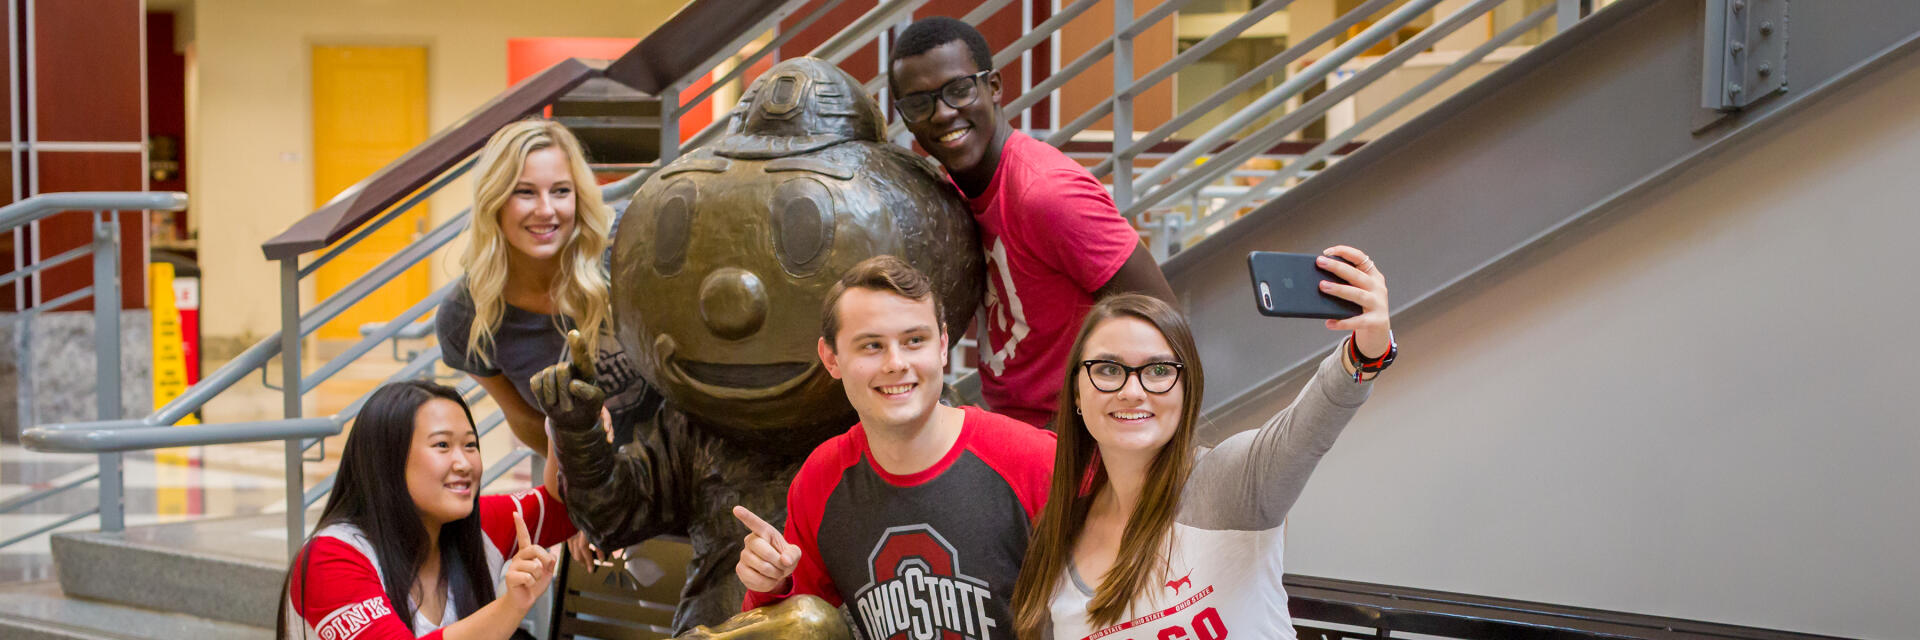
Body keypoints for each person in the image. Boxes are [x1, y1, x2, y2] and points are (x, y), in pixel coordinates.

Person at [1009, 246, 1396, 640]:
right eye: (1108, 369)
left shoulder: (1228, 483)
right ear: (1076, 391)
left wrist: (1366, 350)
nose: (1132, 390)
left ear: (1186, 389)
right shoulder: (1058, 535)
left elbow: (1316, 418)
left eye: (1158, 370)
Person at [725, 255, 1057, 640]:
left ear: (943, 345)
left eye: (914, 341)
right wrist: (769, 582)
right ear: (831, 359)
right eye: (871, 346)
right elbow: (788, 624)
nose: (896, 363)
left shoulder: (1034, 461)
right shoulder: (822, 478)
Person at [888, 17, 1179, 428]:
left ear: (993, 87)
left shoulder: (1048, 194)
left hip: (1075, 443)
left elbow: (1165, 325)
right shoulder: (951, 191)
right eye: (919, 103)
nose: (941, 113)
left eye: (958, 90)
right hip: (1015, 431)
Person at [278, 380, 574, 639]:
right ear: (387, 460)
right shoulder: (330, 558)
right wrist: (511, 606)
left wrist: (569, 431)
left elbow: (571, 510)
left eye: (470, 445)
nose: (464, 463)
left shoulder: (479, 526)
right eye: (442, 445)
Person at [435, 118, 658, 453]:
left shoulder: (629, 244)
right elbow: (524, 419)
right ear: (493, 201)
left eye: (560, 191)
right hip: (598, 490)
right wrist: (586, 470)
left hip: (687, 467)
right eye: (525, 192)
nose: (546, 210)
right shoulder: (465, 313)